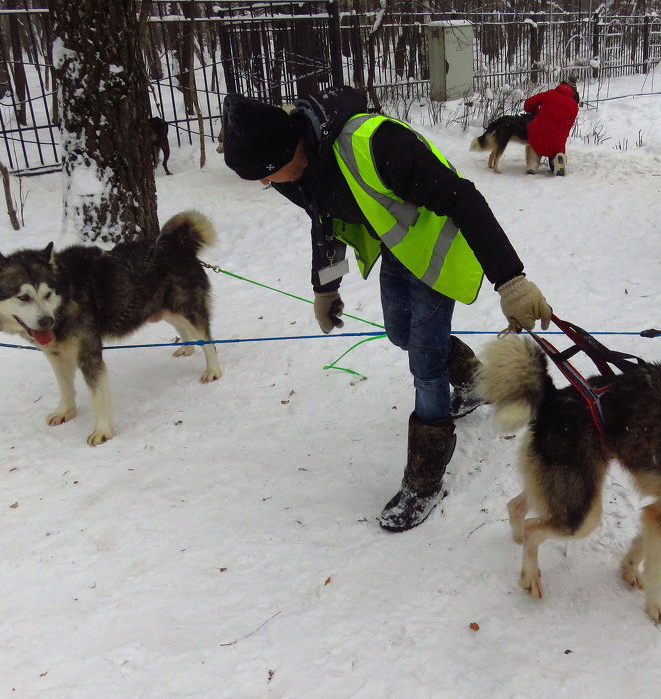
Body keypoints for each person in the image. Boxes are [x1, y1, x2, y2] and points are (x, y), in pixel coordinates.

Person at [220, 88, 552, 532]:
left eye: (266, 173)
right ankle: (474, 383)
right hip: (399, 246)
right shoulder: (293, 171)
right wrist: (326, 287)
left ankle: (424, 480)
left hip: (440, 243)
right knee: (400, 334)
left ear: (289, 146)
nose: (266, 183)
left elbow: (464, 198)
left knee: (425, 359)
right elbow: (327, 223)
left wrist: (510, 280)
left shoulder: (374, 143)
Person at [523, 79, 580, 176]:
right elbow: (568, 126)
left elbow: (527, 104)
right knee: (556, 151)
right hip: (557, 141)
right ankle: (556, 161)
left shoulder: (549, 94)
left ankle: (533, 163)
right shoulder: (574, 105)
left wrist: (536, 111)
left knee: (536, 146)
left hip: (538, 133)